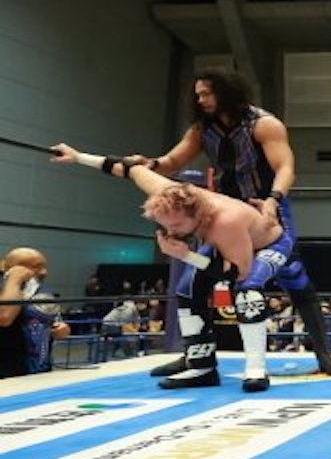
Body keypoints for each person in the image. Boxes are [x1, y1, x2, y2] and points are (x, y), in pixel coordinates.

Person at [124, 68, 331, 380]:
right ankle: (197, 356)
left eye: (206, 93)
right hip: (225, 218)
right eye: (197, 95)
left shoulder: (264, 124)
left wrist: (273, 200)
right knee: (190, 284)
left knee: (293, 278)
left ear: (226, 92)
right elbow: (172, 162)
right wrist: (150, 164)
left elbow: (285, 167)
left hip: (266, 213)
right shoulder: (202, 129)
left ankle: (324, 354)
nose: (200, 100)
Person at [51, 143, 311, 392]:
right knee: (186, 287)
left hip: (268, 244)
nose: (170, 231)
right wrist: (78, 157)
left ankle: (256, 369)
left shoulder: (225, 223)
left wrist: (186, 255)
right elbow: (130, 168)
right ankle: (201, 365)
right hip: (224, 243)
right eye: (165, 225)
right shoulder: (169, 194)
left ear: (196, 216)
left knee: (248, 291)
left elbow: (236, 273)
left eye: (175, 226)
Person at [0, 248, 70, 378]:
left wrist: (61, 328)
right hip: (7, 373)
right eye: (36, 267)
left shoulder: (41, 290)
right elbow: (4, 317)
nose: (44, 272)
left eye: (44, 267)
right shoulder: (4, 288)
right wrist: (14, 280)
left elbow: (54, 319)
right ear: (12, 267)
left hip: (41, 370)